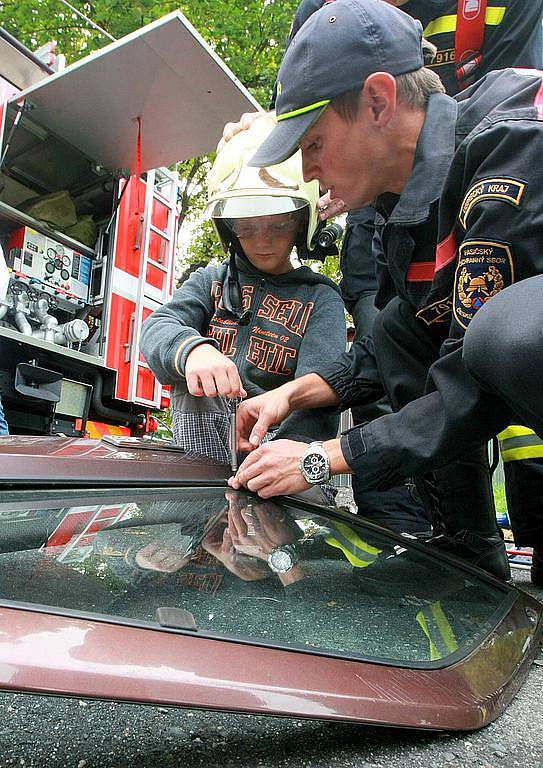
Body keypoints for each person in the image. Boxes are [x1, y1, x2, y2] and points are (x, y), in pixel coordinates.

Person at [227, 0, 543, 582]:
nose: (309, 168)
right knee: (398, 324)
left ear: (378, 100)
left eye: (314, 144)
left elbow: (480, 373)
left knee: (505, 335)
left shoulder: (512, 143)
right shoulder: (405, 209)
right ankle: (465, 550)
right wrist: (291, 397)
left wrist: (323, 460)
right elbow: (414, 337)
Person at [140, 114, 346, 467]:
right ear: (229, 228)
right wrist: (193, 351)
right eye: (247, 229)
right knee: (195, 383)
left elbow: (320, 393)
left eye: (278, 226)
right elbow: (158, 326)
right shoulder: (211, 281)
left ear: (301, 221)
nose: (262, 241)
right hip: (204, 452)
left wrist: (284, 459)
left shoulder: (320, 298)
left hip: (283, 449)